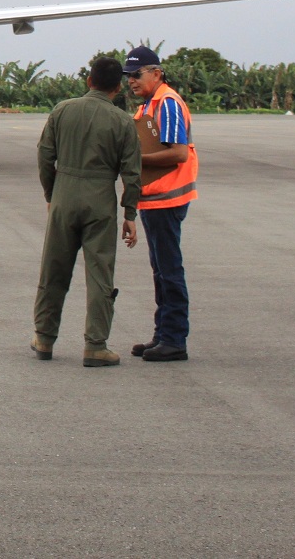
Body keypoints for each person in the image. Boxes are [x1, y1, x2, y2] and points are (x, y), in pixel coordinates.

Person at [32, 54, 142, 366]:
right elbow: (132, 173)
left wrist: (51, 193)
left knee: (54, 269)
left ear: (89, 80)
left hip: (64, 193)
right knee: (100, 273)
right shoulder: (123, 120)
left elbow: (44, 155)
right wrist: (130, 214)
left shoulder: (63, 109)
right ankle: (96, 345)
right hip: (101, 199)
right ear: (117, 87)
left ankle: (44, 337)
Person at [125, 45, 197, 363]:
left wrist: (133, 160)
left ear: (156, 72)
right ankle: (162, 335)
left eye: (137, 74)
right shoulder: (149, 105)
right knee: (160, 271)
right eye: (128, 76)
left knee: (169, 270)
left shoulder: (166, 103)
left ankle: (174, 339)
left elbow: (178, 152)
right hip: (153, 199)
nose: (131, 81)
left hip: (167, 198)